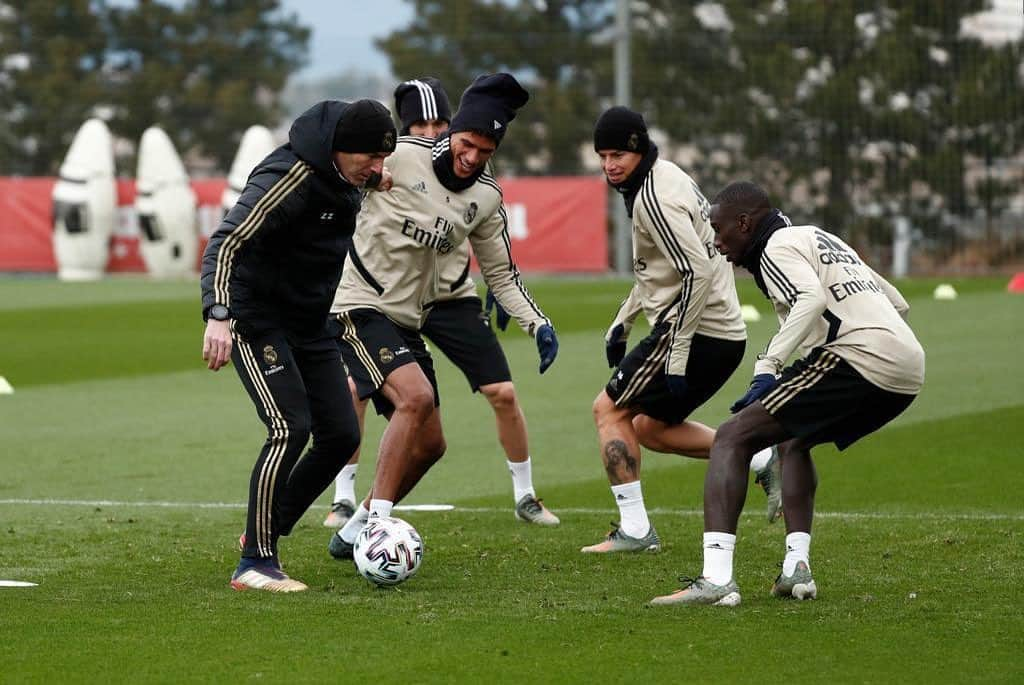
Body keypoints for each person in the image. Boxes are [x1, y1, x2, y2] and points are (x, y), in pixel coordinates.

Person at [650, 181, 924, 606]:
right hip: (907, 366)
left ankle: (716, 579)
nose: (717, 243)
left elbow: (811, 298)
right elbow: (898, 302)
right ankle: (797, 570)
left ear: (745, 223)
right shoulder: (821, 237)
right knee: (793, 439)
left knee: (731, 437)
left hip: (859, 356)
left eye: (720, 231)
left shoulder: (776, 245)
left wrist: (768, 367)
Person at [327, 73, 559, 560]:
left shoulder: (487, 199)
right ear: (453, 134)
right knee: (414, 397)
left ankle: (354, 530)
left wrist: (536, 322)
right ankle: (376, 528)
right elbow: (336, 166)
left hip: (410, 322)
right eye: (468, 143)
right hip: (358, 304)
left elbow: (502, 275)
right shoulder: (398, 156)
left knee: (431, 445)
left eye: (486, 149)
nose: (473, 157)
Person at [200, 99, 396, 592]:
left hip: (310, 323)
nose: (377, 168)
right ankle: (255, 563)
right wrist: (219, 316)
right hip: (255, 318)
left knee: (339, 434)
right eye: (370, 159)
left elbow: (361, 175)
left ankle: (263, 527)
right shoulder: (288, 177)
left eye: (382, 159)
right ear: (339, 149)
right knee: (290, 426)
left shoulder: (347, 172)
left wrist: (374, 177)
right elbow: (226, 243)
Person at [582, 107, 779, 554]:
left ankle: (635, 530)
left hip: (697, 332)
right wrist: (624, 319)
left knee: (608, 411)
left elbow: (695, 273)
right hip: (723, 334)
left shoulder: (655, 198)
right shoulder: (662, 175)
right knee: (650, 428)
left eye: (618, 154)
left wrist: (677, 351)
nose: (610, 164)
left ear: (638, 150)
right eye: (603, 155)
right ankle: (763, 455)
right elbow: (662, 270)